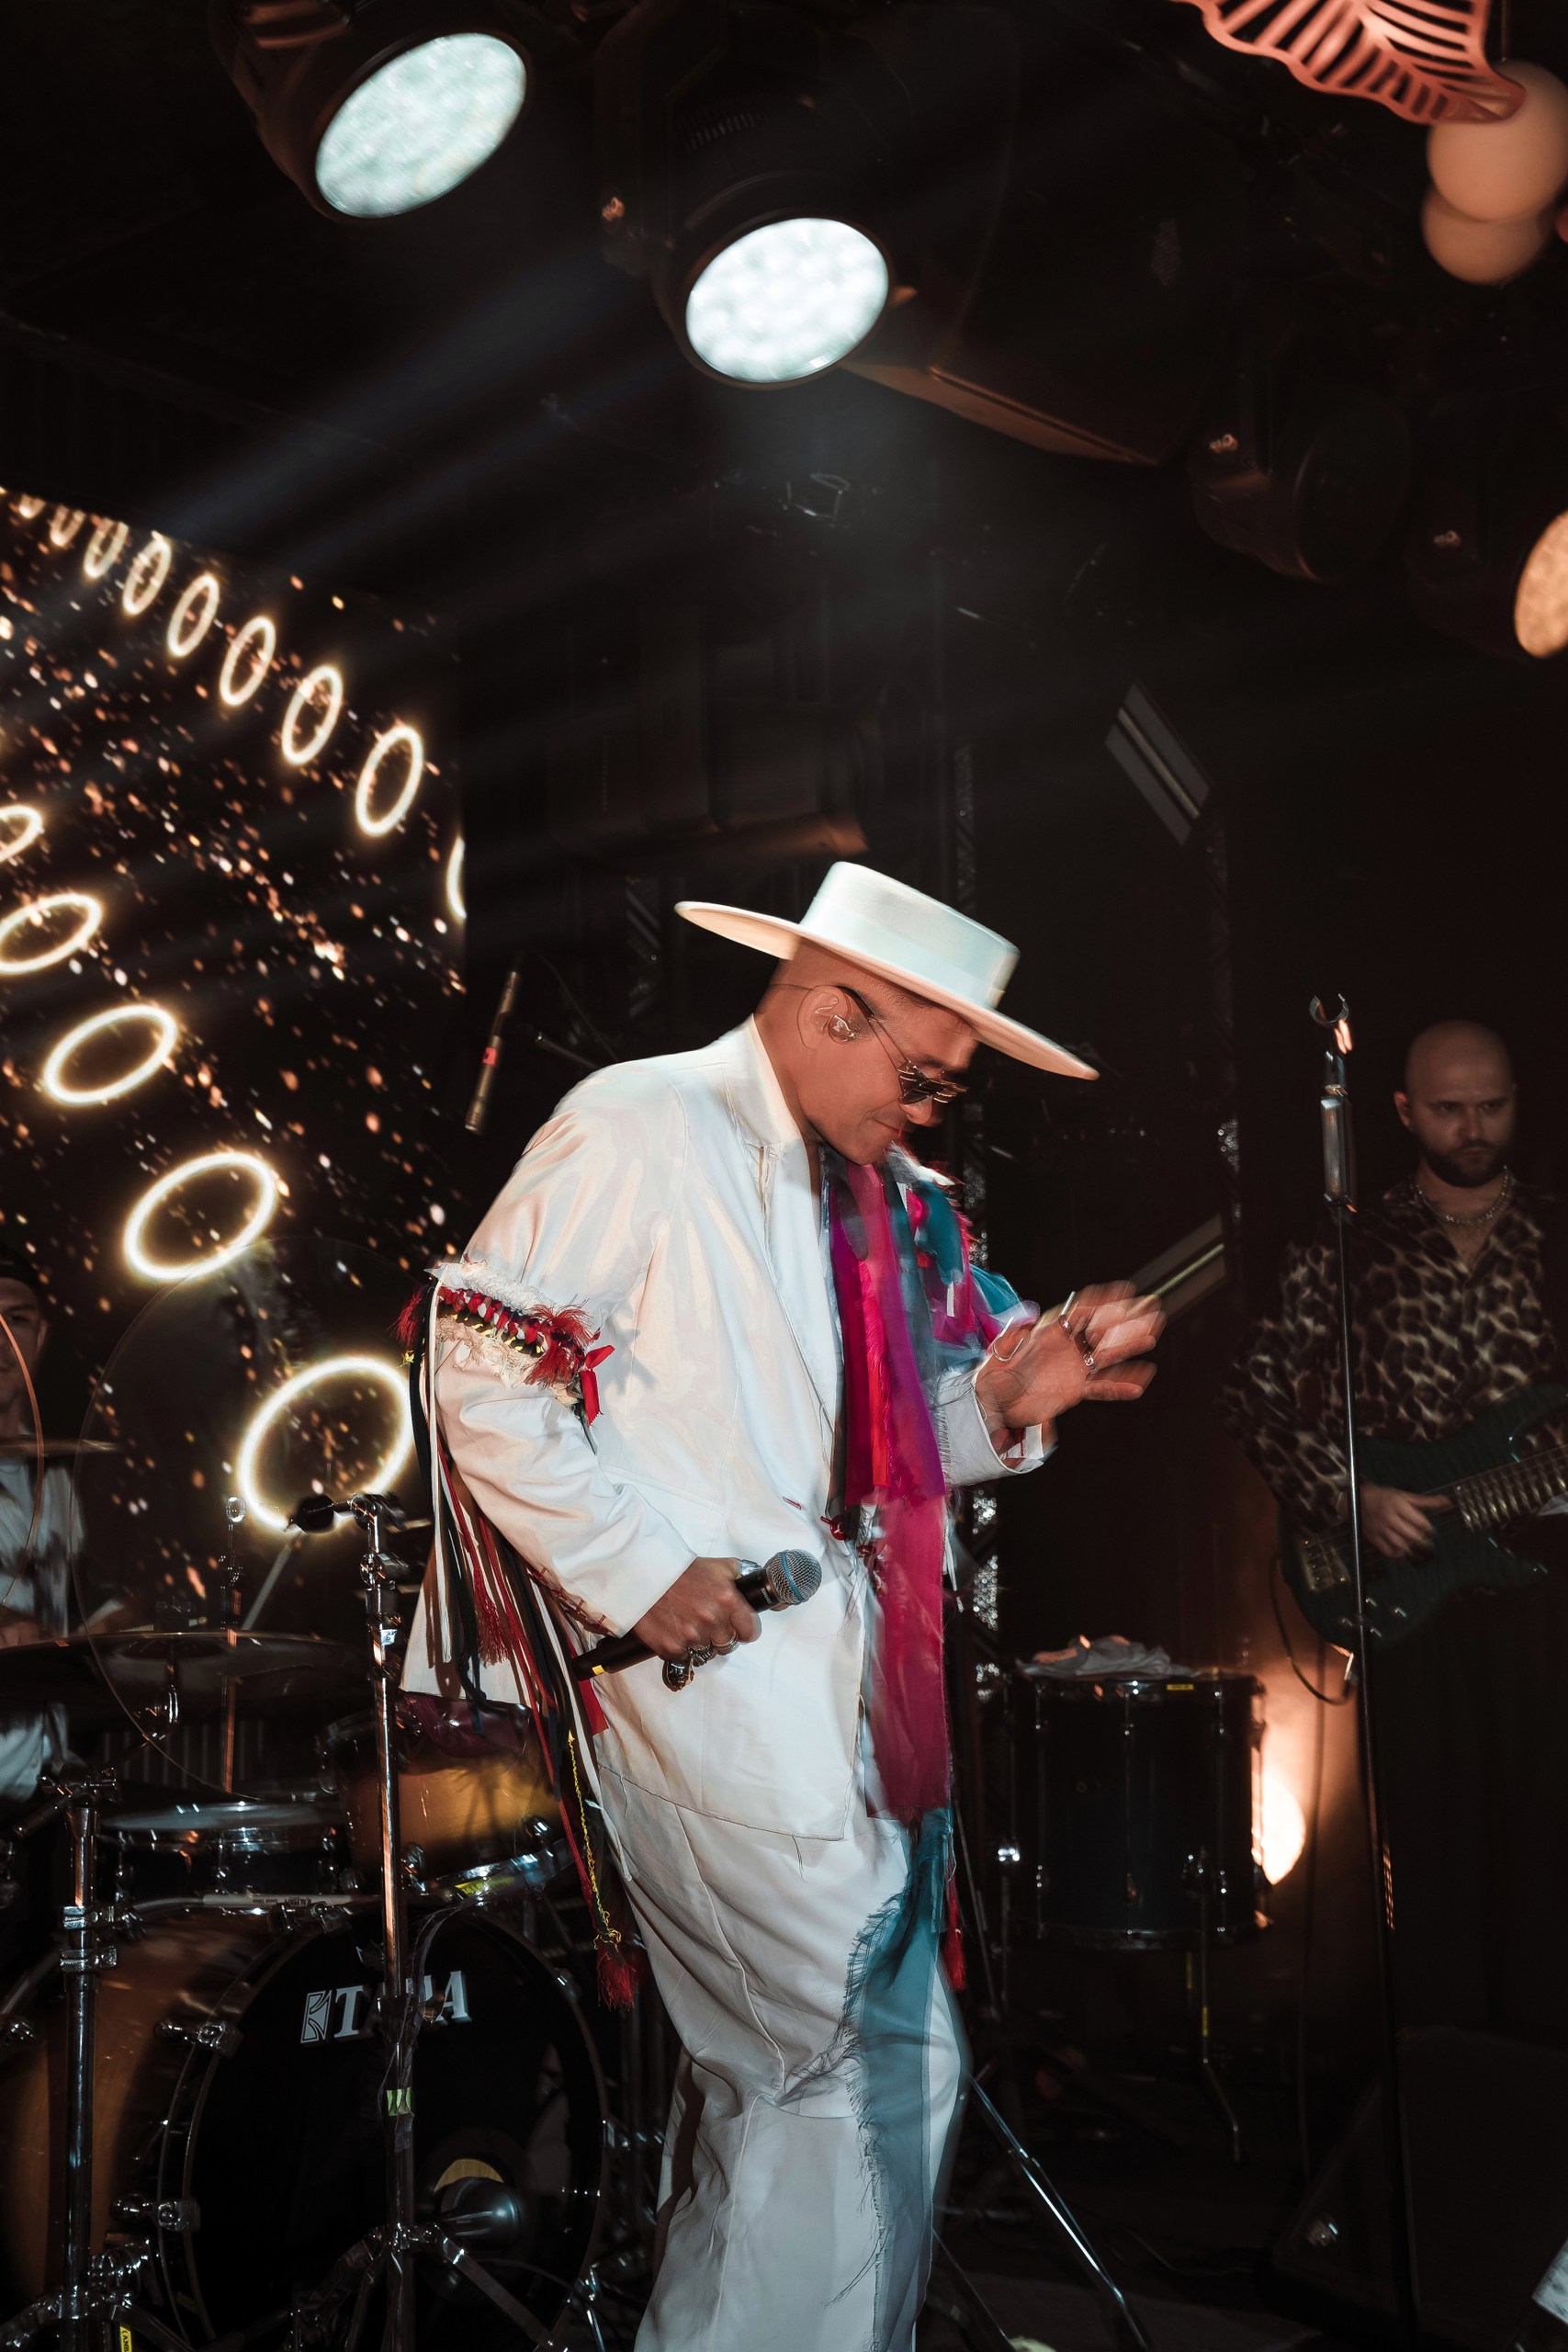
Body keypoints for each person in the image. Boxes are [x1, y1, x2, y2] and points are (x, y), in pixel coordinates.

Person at [406, 862, 1162, 2352]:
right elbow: (477, 1369)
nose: (928, 1113)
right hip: (696, 1683)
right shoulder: (643, 1122)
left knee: (822, 2081)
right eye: (922, 1078)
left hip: (818, 1683)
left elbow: (865, 1456)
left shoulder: (860, 1195)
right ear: (831, 1013)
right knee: (843, 2072)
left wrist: (1005, 1404)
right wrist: (637, 1571)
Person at [1220, 1018, 1568, 2043]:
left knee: (1550, 1852)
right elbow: (1251, 1395)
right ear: (1406, 1111)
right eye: (1450, 1108)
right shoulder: (1346, 1246)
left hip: (1547, 1585)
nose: (1474, 1127)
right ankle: (1444, 2080)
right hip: (1405, 1590)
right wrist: (1352, 1494)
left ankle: (1541, 2089)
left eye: (1491, 1105)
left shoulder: (1555, 1238)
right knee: (1430, 1856)